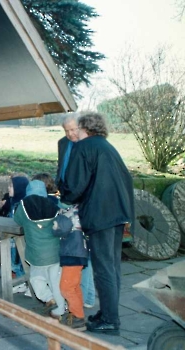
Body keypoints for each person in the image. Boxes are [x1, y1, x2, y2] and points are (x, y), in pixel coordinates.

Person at [60, 112, 134, 335]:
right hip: (118, 214)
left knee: (103, 270)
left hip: (101, 215)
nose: (75, 133)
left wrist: (64, 195)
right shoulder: (107, 147)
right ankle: (107, 313)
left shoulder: (84, 147)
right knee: (112, 268)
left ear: (84, 128)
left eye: (77, 128)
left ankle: (110, 321)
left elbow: (75, 185)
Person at [56, 115, 96, 309]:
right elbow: (62, 168)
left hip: (84, 202)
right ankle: (76, 292)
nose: (71, 134)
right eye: (67, 130)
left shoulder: (89, 144)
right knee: (73, 248)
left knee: (84, 250)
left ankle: (87, 295)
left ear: (80, 127)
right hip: (66, 198)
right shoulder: (63, 143)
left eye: (73, 129)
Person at [13, 179, 66, 319]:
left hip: (36, 255)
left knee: (36, 279)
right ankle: (60, 308)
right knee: (55, 282)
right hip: (54, 253)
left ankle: (49, 299)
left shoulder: (23, 206)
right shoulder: (53, 205)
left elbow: (17, 220)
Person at [52, 204, 89, 331]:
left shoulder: (71, 211)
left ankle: (78, 317)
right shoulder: (82, 209)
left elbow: (59, 228)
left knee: (66, 287)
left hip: (72, 253)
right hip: (78, 252)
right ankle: (78, 313)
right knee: (74, 286)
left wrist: (56, 222)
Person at [0, 173, 29, 290]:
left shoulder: (21, 204)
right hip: (11, 238)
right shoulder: (12, 201)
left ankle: (22, 283)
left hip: (18, 237)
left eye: (11, 186)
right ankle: (20, 282)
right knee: (13, 260)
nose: (8, 188)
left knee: (19, 260)